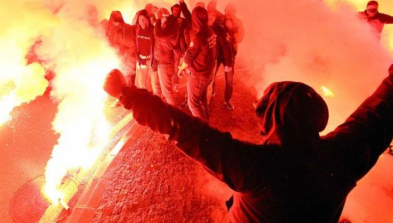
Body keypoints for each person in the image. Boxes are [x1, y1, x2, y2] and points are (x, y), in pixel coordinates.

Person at [103, 66, 393, 223]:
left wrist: (127, 94)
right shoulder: (342, 156)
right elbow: (377, 114)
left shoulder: (258, 168)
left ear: (271, 118)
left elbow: (184, 130)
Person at [177, 7, 217, 121]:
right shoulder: (210, 31)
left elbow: (188, 57)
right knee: (202, 101)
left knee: (193, 104)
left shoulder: (199, 36)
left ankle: (203, 132)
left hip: (198, 76)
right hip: (208, 73)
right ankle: (207, 127)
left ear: (195, 19)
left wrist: (180, 69)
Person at [134, 11, 160, 96]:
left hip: (152, 60)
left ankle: (158, 104)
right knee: (142, 84)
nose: (142, 21)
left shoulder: (152, 30)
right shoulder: (137, 30)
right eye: (140, 19)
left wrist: (155, 60)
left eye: (144, 19)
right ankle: (146, 102)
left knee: (154, 84)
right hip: (142, 60)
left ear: (147, 20)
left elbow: (157, 46)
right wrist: (137, 59)